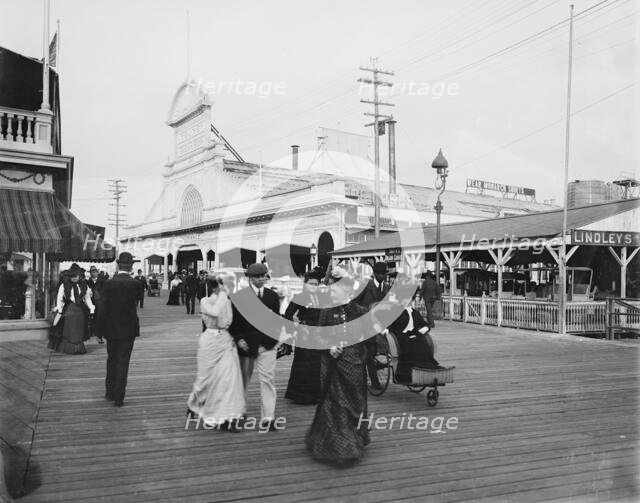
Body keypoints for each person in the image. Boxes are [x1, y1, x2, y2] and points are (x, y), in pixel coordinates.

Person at [306, 273, 369, 464]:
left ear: (347, 291)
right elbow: (317, 336)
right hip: (332, 364)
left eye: (335, 289)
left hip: (354, 365)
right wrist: (330, 346)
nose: (331, 292)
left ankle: (355, 439)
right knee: (335, 404)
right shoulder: (327, 310)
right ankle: (339, 447)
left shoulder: (359, 311)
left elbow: (366, 339)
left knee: (354, 403)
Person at [186, 274, 244, 431]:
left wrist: (237, 339)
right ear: (213, 287)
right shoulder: (206, 301)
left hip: (225, 341)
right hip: (210, 342)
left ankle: (225, 418)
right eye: (222, 286)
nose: (225, 289)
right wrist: (223, 294)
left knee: (227, 381)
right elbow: (215, 312)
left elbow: (233, 323)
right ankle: (193, 404)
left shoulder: (229, 302)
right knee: (204, 380)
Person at [229, 263, 281, 430]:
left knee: (268, 380)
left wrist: (275, 339)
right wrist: (238, 339)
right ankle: (239, 411)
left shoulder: (272, 296)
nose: (261, 279)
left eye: (263, 276)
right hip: (246, 346)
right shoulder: (239, 296)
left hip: (267, 345)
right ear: (249, 278)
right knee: (243, 380)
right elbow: (233, 321)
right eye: (257, 276)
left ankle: (268, 418)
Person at [97, 252, 144, 407]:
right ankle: (119, 397)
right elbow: (135, 304)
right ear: (131, 266)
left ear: (118, 265)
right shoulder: (136, 284)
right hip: (128, 329)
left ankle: (109, 393)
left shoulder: (108, 284)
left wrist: (99, 331)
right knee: (124, 361)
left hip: (111, 328)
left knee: (112, 359)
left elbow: (102, 309)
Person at [284, 268, 324, 405]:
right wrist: (294, 330)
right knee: (303, 363)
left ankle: (316, 394)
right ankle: (300, 395)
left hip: (318, 333)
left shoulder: (322, 298)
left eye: (316, 284)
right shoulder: (299, 297)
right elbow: (288, 315)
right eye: (311, 284)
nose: (314, 286)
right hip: (305, 334)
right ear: (305, 284)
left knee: (317, 363)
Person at [386, 286, 442, 383]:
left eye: (410, 299)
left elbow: (425, 325)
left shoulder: (415, 313)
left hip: (415, 335)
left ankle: (427, 368)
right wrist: (385, 330)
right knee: (412, 343)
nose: (409, 301)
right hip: (401, 336)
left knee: (423, 343)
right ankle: (407, 373)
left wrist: (423, 330)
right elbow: (388, 324)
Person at [353, 261, 390, 389]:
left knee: (376, 351)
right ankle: (374, 381)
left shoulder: (386, 288)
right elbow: (354, 302)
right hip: (365, 324)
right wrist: (363, 311)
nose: (382, 276)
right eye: (379, 274)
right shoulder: (365, 286)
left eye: (384, 274)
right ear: (374, 274)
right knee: (369, 352)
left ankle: (375, 366)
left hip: (381, 324)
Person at [52, 263, 95, 354]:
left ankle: (78, 348)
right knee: (69, 328)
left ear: (79, 276)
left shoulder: (84, 286)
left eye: (76, 275)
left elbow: (87, 299)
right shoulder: (64, 285)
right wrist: (59, 309)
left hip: (80, 310)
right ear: (69, 276)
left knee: (79, 328)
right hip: (69, 309)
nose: (75, 278)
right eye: (72, 276)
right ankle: (69, 348)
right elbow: (59, 298)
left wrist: (91, 309)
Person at [87, 266, 105, 344]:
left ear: (97, 272)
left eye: (95, 272)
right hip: (90, 302)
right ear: (90, 273)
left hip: (100, 301)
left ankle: (99, 335)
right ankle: (91, 333)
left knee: (100, 317)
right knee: (91, 317)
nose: (93, 273)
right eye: (92, 272)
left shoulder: (102, 281)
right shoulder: (88, 282)